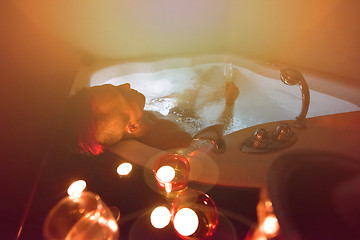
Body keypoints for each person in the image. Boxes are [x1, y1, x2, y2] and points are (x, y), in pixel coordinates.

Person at [62, 81, 239, 156]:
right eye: (123, 95)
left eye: (116, 86)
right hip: (195, 129)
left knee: (193, 94)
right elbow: (219, 135)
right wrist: (230, 104)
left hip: (177, 117)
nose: (126, 85)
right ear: (132, 126)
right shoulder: (175, 141)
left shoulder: (139, 120)